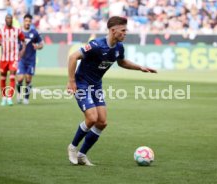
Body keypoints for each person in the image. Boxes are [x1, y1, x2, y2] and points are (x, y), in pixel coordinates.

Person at [67, 16, 157, 166]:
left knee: (102, 122)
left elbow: (122, 62)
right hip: (82, 84)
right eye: (123, 30)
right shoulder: (96, 45)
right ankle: (72, 147)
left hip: (96, 86)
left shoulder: (119, 47)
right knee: (92, 118)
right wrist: (71, 81)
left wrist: (140, 67)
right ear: (113, 30)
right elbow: (73, 57)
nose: (125, 33)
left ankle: (82, 155)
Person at [0, 14, 26, 106]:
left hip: (13, 58)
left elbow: (24, 41)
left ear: (12, 20)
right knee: (3, 78)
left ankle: (9, 98)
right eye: (8, 18)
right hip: (4, 58)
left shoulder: (17, 30)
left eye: (11, 18)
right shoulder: (1, 31)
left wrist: (22, 51)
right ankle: (3, 98)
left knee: (12, 77)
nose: (9, 20)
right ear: (5, 20)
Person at [16, 14, 43, 105]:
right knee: (20, 78)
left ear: (31, 22)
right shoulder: (18, 32)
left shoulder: (34, 33)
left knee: (28, 79)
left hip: (31, 60)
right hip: (21, 60)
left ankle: (26, 98)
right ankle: (19, 94)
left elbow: (41, 44)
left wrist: (38, 46)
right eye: (26, 21)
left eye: (29, 21)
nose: (27, 23)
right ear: (23, 21)